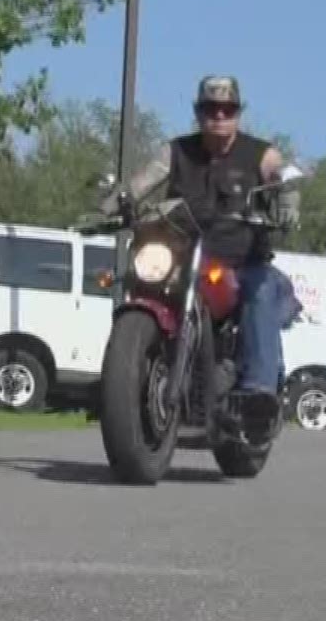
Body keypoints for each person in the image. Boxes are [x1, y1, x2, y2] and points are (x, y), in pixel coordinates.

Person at [102, 75, 302, 442]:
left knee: (259, 290)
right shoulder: (176, 152)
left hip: (241, 265)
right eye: (211, 109)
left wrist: (286, 198)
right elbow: (146, 180)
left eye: (227, 109)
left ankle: (257, 395)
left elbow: (279, 171)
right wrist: (116, 203)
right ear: (198, 112)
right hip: (185, 261)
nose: (219, 116)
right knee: (145, 280)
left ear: (238, 113)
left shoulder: (259, 153)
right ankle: (141, 376)